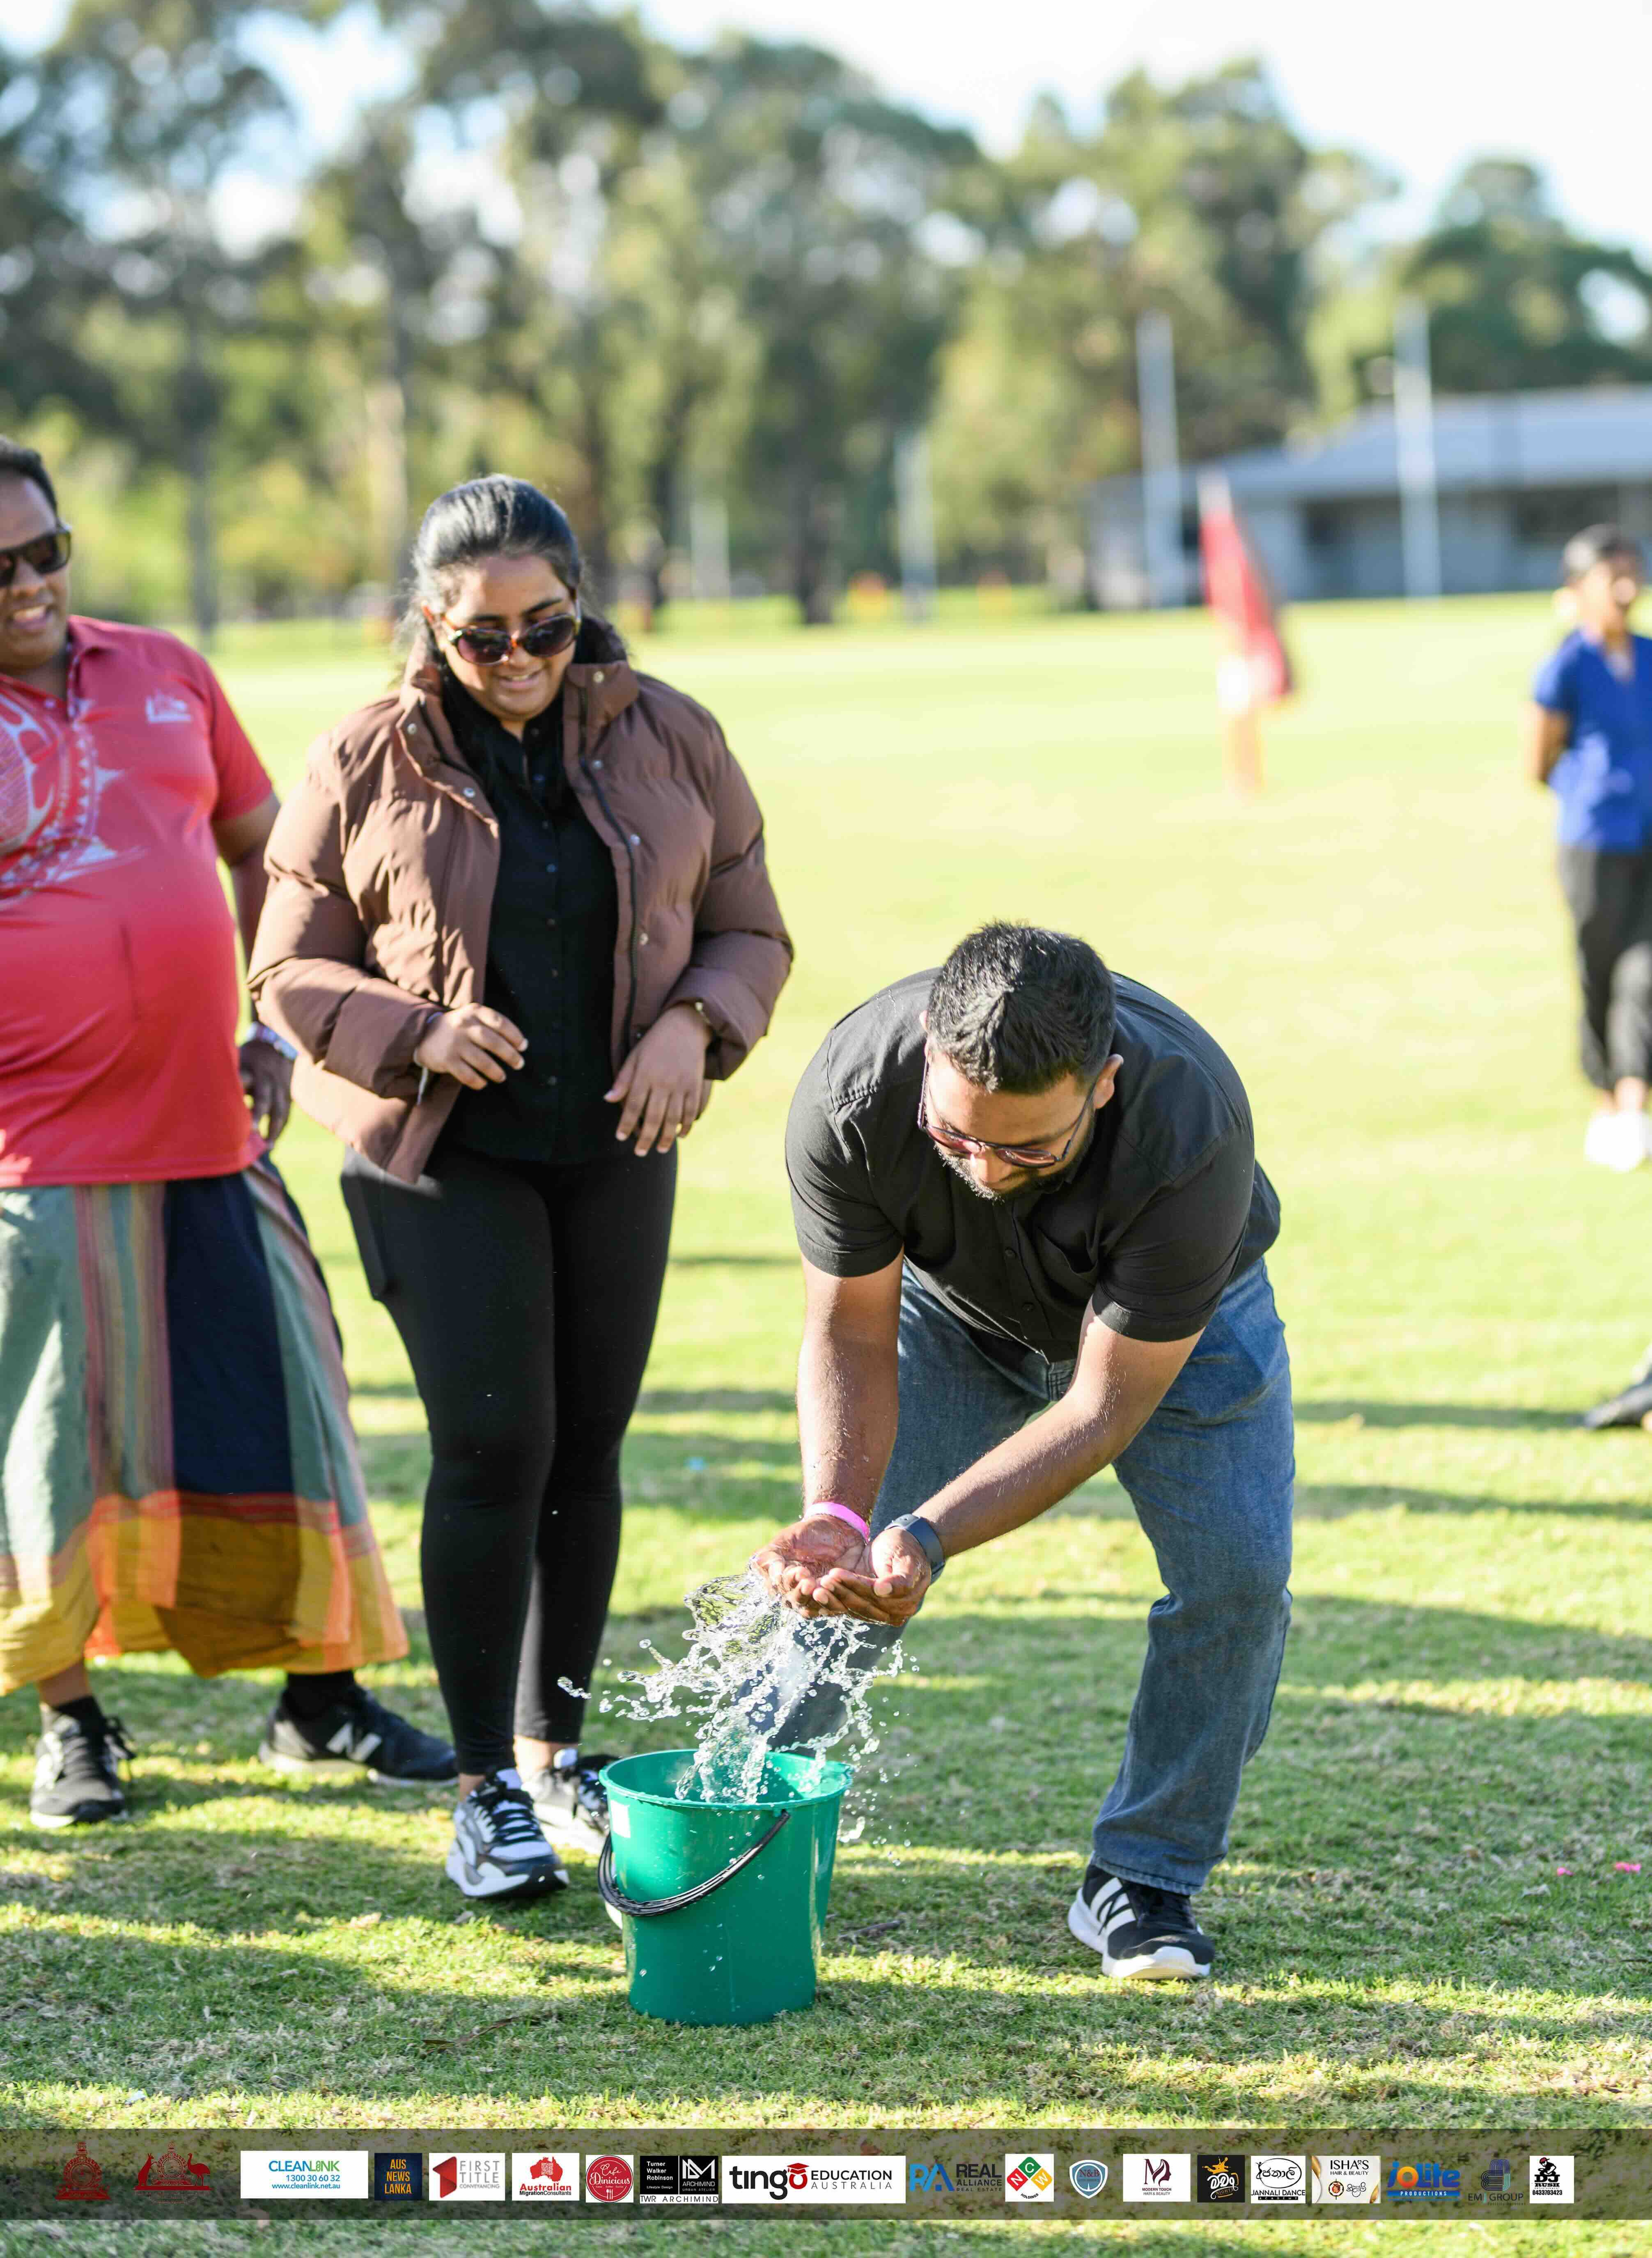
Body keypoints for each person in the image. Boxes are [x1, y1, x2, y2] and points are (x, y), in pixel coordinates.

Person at [250, 475, 792, 1904]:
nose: (516, 660)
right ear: (429, 624)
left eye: (543, 628)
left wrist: (695, 1025)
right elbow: (287, 968)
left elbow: (748, 922)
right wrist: (414, 1029)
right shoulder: (362, 754)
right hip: (442, 1155)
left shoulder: (671, 733)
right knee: (497, 1443)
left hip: (618, 1141)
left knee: (588, 1448)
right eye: (481, 635)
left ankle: (558, 1752)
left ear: (580, 607)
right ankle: (485, 1784)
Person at [0, 438, 452, 1831]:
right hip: (31, 1149)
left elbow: (265, 848)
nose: (27, 584)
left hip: (214, 1118)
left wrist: (272, 1026)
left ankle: (318, 1698)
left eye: (44, 551)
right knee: (47, 1448)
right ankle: (70, 1720)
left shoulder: (169, 672)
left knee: (288, 1408)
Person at [752, 923, 1289, 1982]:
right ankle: (748, 1821)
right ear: (925, 1053)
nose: (988, 1168)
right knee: (833, 1574)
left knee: (1238, 1579)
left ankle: (1141, 1879)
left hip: (1176, 1325)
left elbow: (1099, 1406)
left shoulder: (1189, 1121)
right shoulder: (854, 1091)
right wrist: (843, 1512)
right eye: (956, 1140)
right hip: (952, 1315)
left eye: (1030, 1148)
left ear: (1103, 1085)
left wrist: (926, 1532)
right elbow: (850, 1329)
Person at [1527, 525, 1652, 1170]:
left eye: (1635, 573)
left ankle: (1634, 1099)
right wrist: (1586, 790)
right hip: (1592, 841)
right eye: (1615, 577)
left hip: (1649, 836)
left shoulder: (1651, 655)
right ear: (1580, 589)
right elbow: (1537, 757)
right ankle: (1606, 1095)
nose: (1630, 589)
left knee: (1648, 969)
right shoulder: (1566, 666)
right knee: (1598, 965)